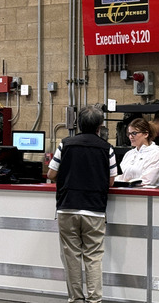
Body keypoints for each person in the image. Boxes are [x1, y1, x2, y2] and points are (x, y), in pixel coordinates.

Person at [47, 105, 117, 303]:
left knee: (71, 256)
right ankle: (95, 300)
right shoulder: (107, 149)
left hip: (67, 206)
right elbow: (111, 180)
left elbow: (51, 174)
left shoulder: (66, 144)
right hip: (94, 209)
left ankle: (76, 299)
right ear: (100, 126)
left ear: (78, 123)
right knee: (93, 257)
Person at [115, 117, 159, 187]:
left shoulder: (156, 154)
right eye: (129, 134)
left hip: (147, 195)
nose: (130, 137)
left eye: (134, 133)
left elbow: (148, 181)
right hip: (125, 193)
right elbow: (119, 176)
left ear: (146, 134)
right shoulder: (129, 154)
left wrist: (126, 183)